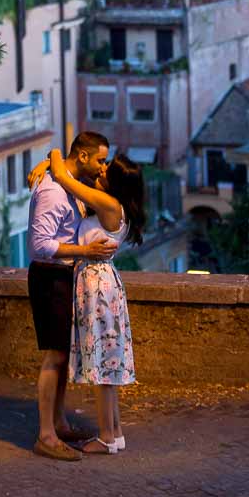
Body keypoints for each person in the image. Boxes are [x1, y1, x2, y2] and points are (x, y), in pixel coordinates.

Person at [33, 148, 146, 456]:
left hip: (97, 287)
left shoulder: (109, 204)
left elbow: (64, 178)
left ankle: (107, 437)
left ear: (116, 185)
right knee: (108, 360)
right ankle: (116, 433)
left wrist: (53, 154)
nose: (100, 171)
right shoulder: (110, 207)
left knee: (102, 363)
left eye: (106, 171)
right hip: (100, 284)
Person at [26, 131, 117, 462]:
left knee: (62, 354)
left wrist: (49, 159)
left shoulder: (68, 183)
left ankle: (59, 422)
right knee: (54, 356)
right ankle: (46, 435)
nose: (102, 167)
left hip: (65, 276)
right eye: (99, 160)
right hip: (50, 277)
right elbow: (40, 246)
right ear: (82, 157)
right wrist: (86, 251)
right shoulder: (52, 191)